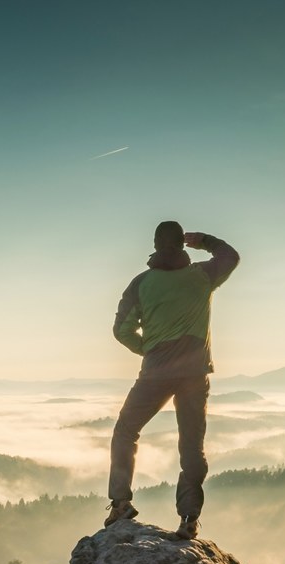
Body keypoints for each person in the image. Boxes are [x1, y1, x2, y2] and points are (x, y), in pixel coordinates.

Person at [105, 220, 240, 539]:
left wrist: (150, 350)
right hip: (194, 375)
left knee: (126, 431)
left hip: (155, 372)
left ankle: (121, 503)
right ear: (183, 244)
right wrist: (206, 240)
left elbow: (121, 330)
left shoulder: (141, 283)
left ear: (154, 244)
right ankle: (189, 519)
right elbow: (230, 256)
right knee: (191, 444)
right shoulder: (202, 276)